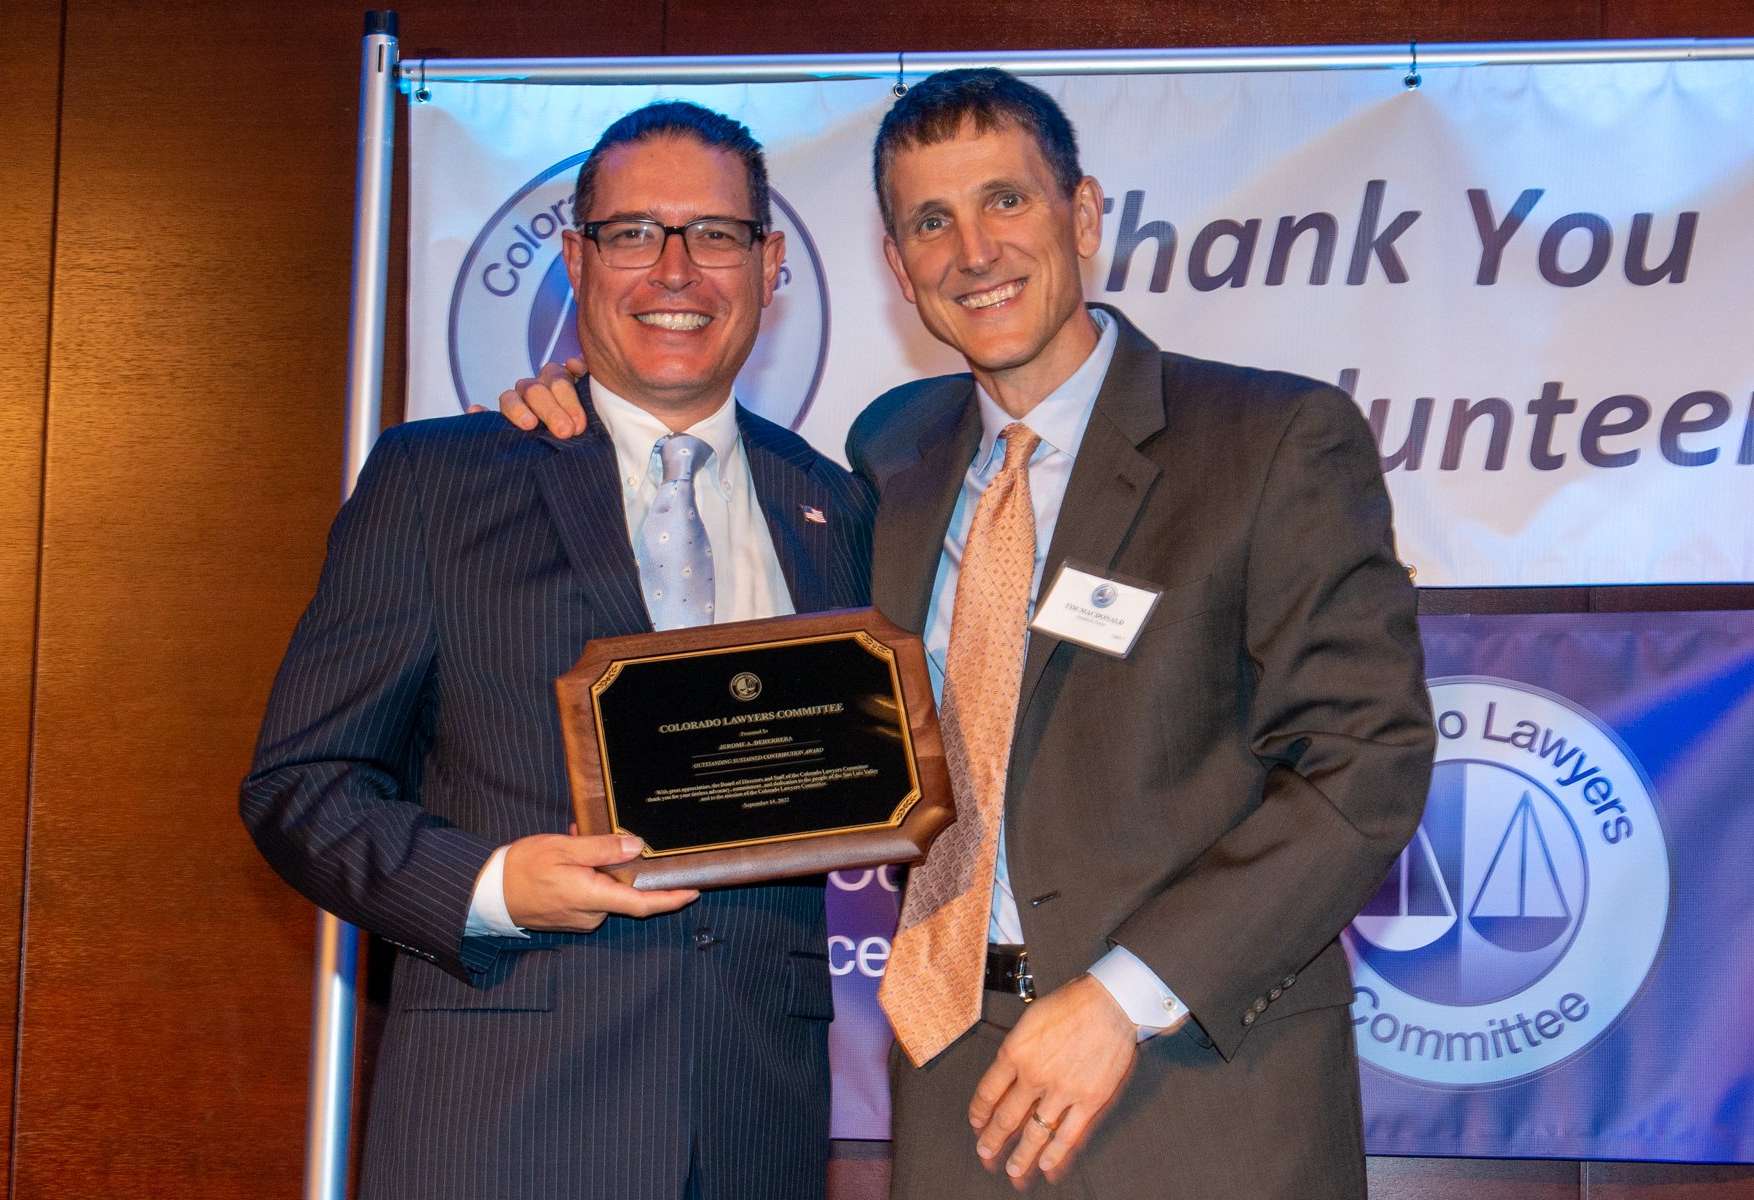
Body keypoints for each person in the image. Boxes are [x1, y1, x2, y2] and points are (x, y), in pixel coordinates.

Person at [501, 70, 1434, 1200]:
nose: (972, 250)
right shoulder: (885, 457)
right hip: (953, 1077)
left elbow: (1364, 766)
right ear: (898, 269)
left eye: (1006, 202)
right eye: (929, 221)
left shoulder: (1271, 439)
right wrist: (581, 412)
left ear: (1083, 215)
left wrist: (1121, 998)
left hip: (1196, 1074)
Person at [242, 101, 874, 1200]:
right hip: (504, 1123)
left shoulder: (833, 506)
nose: (674, 271)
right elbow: (302, 786)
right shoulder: (438, 481)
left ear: (771, 266)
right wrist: (494, 885)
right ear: (577, 260)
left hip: (752, 1130)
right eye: (634, 234)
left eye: (715, 235)